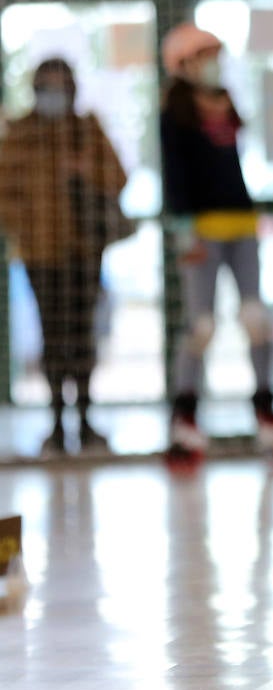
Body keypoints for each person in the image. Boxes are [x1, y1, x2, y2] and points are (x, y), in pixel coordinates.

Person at [160, 23, 273, 458]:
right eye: (206, 55)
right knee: (201, 325)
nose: (214, 63)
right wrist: (184, 232)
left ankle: (266, 412)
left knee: (255, 318)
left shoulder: (225, 104)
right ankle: (185, 415)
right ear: (184, 64)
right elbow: (175, 177)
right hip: (203, 228)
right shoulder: (174, 112)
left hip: (240, 222)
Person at [0, 58, 128, 456]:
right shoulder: (20, 134)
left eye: (61, 85)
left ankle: (86, 423)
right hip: (40, 254)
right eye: (47, 85)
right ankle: (57, 426)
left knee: (82, 335)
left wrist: (86, 169)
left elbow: (119, 177)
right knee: (53, 336)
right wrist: (27, 221)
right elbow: (4, 193)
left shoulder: (86, 129)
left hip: (84, 251)